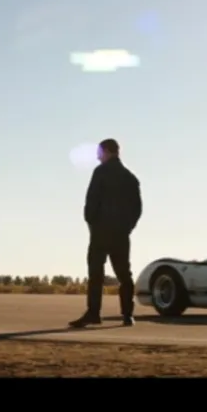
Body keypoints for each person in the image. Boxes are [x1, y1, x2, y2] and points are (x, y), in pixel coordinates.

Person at [70, 139, 143, 328]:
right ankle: (127, 315)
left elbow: (91, 201)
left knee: (96, 274)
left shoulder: (100, 172)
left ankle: (94, 312)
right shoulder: (130, 178)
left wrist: (91, 222)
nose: (97, 156)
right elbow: (137, 208)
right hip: (121, 234)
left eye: (99, 152)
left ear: (108, 151)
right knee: (124, 274)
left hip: (100, 233)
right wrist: (127, 227)